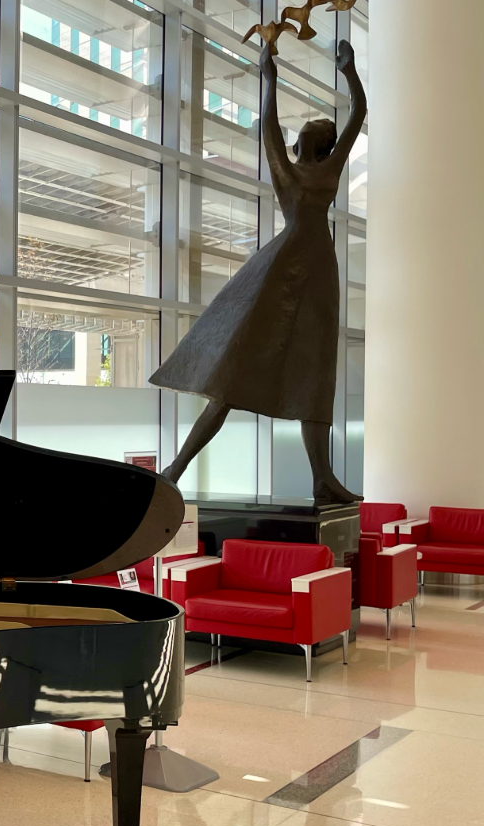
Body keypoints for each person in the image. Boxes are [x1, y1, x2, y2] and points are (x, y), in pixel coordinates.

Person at [150, 39, 365, 504]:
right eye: (312, 124)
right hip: (281, 270)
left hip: (318, 278)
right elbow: (267, 129)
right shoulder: (286, 171)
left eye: (319, 125)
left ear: (324, 142)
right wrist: (267, 77)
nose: (312, 126)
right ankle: (176, 466)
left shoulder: (330, 169)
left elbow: (358, 116)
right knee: (229, 376)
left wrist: (349, 72)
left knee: (316, 375)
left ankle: (321, 477)